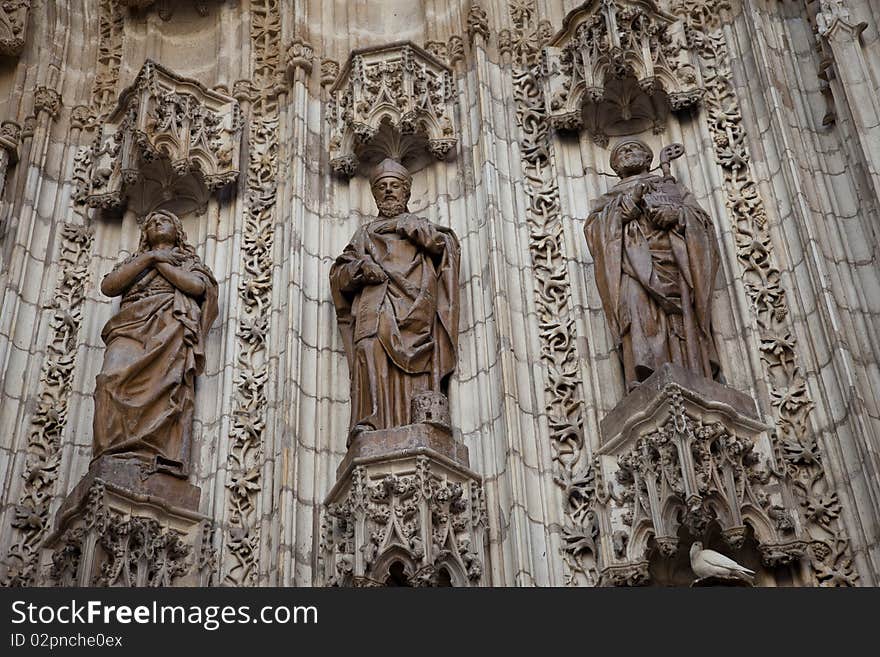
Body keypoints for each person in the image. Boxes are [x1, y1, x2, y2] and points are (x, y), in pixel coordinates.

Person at [330, 158, 460, 443]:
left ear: (406, 193)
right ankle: (371, 421)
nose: (389, 192)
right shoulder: (364, 235)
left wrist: (414, 229)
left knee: (417, 365)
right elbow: (339, 274)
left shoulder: (420, 226)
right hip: (376, 307)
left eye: (395, 187)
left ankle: (419, 424)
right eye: (383, 187)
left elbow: (445, 247)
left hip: (416, 312)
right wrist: (359, 269)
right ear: (376, 195)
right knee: (369, 351)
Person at [584, 139, 720, 392]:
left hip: (673, 264)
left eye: (634, 148)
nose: (627, 153)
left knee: (678, 321)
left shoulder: (671, 187)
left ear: (648, 159)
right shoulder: (609, 199)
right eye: (620, 153)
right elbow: (596, 232)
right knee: (635, 308)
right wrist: (631, 203)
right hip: (633, 269)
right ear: (615, 167)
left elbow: (703, 224)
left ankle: (691, 372)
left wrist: (678, 216)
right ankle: (645, 376)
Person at [92, 209, 218, 474]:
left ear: (178, 232)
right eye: (151, 223)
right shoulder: (135, 261)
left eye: (164, 220)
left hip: (168, 327)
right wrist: (150, 257)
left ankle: (153, 451)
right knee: (108, 380)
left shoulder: (187, 261)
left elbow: (196, 287)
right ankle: (111, 451)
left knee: (167, 384)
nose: (157, 223)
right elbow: (109, 286)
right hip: (130, 325)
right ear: (144, 236)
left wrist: (161, 263)